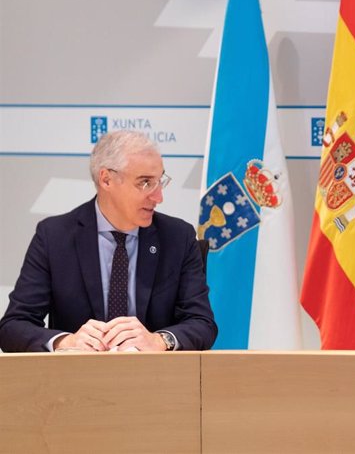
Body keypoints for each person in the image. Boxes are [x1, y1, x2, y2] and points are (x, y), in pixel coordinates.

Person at [0, 130, 217, 352]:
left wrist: (159, 340)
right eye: (145, 183)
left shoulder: (178, 237)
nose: (158, 196)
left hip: (157, 380)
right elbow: (13, 327)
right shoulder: (54, 237)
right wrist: (66, 342)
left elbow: (202, 323)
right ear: (106, 179)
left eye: (159, 181)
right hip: (77, 381)